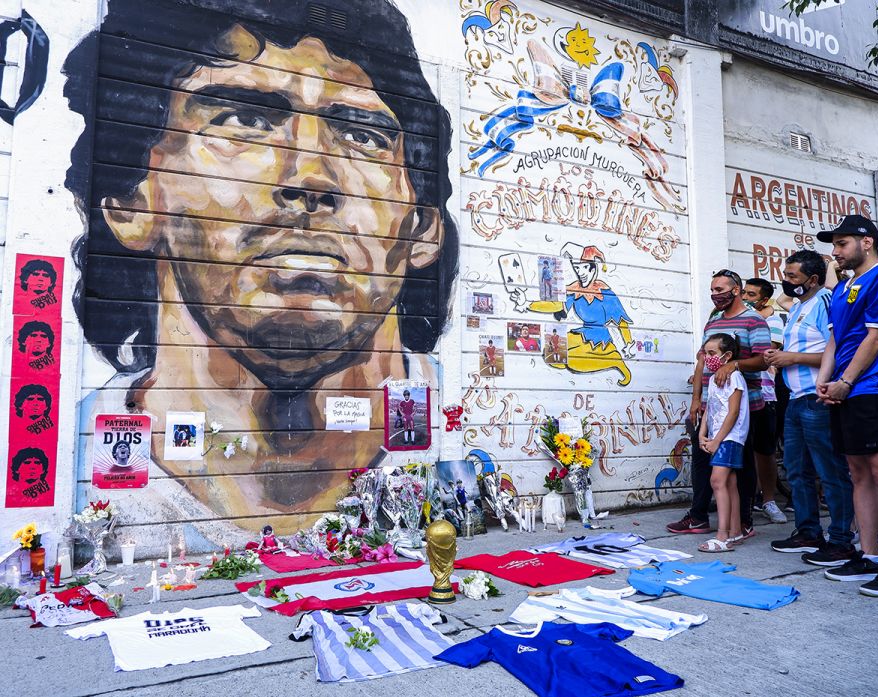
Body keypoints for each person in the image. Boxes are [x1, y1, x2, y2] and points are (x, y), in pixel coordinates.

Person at [65, 0, 458, 532]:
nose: (310, 178)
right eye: (244, 119)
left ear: (423, 228)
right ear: (132, 202)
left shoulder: (460, 443)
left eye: (364, 136)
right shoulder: (74, 460)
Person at [815, 214, 878, 597]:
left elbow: (876, 338)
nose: (836, 252)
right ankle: (870, 555)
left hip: (875, 388)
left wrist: (846, 381)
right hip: (845, 392)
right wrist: (823, 384)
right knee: (857, 474)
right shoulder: (842, 290)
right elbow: (834, 343)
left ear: (866, 242)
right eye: (835, 245)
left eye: (842, 244)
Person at [764, 250, 855, 565]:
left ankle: (842, 539)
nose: (786, 282)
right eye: (786, 275)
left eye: (792, 277)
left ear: (813, 279)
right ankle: (808, 532)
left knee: (830, 471)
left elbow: (839, 351)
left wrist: (792, 358)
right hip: (795, 399)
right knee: (797, 470)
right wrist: (780, 358)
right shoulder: (800, 306)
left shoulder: (826, 302)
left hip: (818, 399)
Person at [667, 269, 770, 539]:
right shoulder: (713, 320)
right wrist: (696, 399)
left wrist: (734, 363)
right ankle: (698, 516)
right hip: (710, 405)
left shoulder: (754, 321)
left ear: (736, 290)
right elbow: (702, 360)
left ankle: (743, 522)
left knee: (742, 464)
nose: (715, 295)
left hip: (744, 405)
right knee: (702, 459)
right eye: (712, 290)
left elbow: (764, 360)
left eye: (720, 290)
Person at [511, 244, 636, 385]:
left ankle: (616, 361)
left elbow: (621, 322)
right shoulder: (575, 289)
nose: (580, 272)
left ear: (593, 268)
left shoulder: (605, 293)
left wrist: (629, 343)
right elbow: (556, 305)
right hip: (582, 333)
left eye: (584, 268)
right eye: (576, 268)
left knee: (575, 362)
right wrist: (527, 303)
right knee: (551, 353)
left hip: (599, 338)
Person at [697, 333, 749, 552]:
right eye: (706, 353)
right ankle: (735, 532)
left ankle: (722, 535)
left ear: (727, 356)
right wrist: (702, 434)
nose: (708, 358)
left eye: (712, 353)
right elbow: (709, 407)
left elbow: (734, 411)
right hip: (719, 436)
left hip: (730, 437)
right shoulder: (712, 379)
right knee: (728, 483)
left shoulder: (734, 377)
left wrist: (717, 440)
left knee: (717, 481)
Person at [742, 278, 787, 524]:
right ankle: (747, 498)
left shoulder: (773, 322)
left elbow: (765, 353)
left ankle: (769, 500)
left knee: (765, 450)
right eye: (744, 292)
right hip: (739, 392)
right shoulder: (740, 318)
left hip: (765, 393)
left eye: (751, 294)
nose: (746, 297)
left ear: (764, 299)